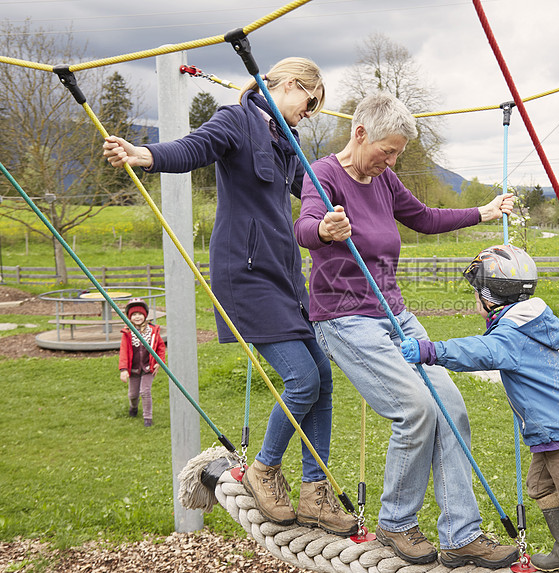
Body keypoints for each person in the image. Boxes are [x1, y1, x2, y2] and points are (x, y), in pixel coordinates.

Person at [102, 58, 357, 536]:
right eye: (311, 101)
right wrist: (145, 155)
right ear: (290, 84)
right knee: (301, 377)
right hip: (245, 274)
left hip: (285, 275)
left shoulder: (289, 141)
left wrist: (341, 204)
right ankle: (263, 469)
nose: (310, 112)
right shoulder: (236, 119)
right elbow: (194, 149)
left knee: (321, 375)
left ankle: (314, 491)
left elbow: (315, 194)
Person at [294, 91, 519, 569]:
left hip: (394, 315)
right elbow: (305, 225)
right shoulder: (325, 174)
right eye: (387, 150)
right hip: (344, 316)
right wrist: (326, 231)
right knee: (415, 410)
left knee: (451, 408)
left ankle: (462, 535)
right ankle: (396, 524)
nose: (391, 160)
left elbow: (424, 218)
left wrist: (484, 211)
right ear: (361, 134)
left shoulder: (385, 180)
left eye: (397, 153)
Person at [399, 244, 559, 573]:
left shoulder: (512, 335)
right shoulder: (523, 322)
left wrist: (430, 350)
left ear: (489, 295)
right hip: (552, 428)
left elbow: (479, 351)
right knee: (542, 487)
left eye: (476, 292)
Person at [119, 298, 166, 428]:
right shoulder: (127, 332)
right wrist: (123, 369)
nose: (137, 317)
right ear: (130, 317)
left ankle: (147, 418)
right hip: (133, 369)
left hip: (148, 367)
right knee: (133, 394)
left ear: (145, 315)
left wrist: (159, 362)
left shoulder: (152, 331)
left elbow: (160, 347)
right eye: (134, 314)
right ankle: (133, 407)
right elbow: (123, 351)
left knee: (145, 391)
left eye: (140, 314)